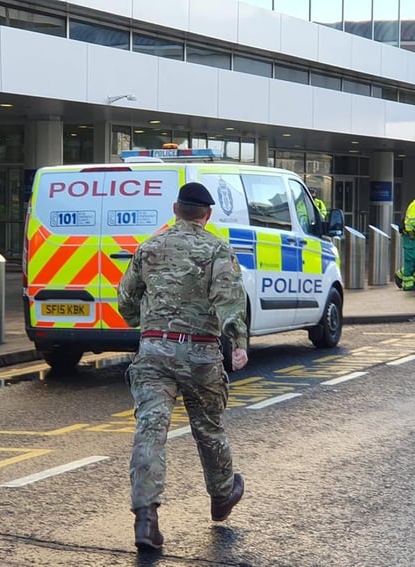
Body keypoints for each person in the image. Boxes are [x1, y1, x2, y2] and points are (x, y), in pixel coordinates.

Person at [117, 181, 249, 553]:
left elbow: (126, 301)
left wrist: (150, 325)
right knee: (208, 428)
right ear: (207, 215)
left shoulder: (150, 247)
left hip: (154, 351)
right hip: (201, 353)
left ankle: (146, 517)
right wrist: (238, 344)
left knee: (150, 430)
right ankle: (222, 496)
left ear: (175, 210)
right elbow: (229, 301)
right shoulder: (216, 249)